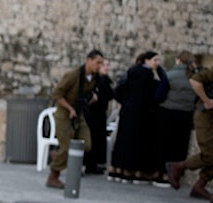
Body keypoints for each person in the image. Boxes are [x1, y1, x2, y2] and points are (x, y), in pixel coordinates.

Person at [46, 49, 104, 189]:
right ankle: (53, 176)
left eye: (101, 63)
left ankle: (57, 156)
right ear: (88, 61)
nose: (99, 66)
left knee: (86, 144)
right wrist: (69, 108)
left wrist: (90, 100)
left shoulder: (95, 79)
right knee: (66, 147)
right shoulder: (73, 76)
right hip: (65, 114)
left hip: (79, 114)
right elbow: (56, 94)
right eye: (97, 62)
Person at [108, 51, 168, 184]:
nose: (157, 63)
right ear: (146, 61)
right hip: (142, 114)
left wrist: (126, 102)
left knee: (123, 141)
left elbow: (118, 91)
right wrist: (161, 71)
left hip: (128, 111)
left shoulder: (130, 73)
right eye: (155, 60)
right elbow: (158, 92)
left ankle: (118, 170)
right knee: (136, 143)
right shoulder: (147, 77)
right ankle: (133, 171)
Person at [166, 63, 213, 203]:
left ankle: (199, 186)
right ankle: (178, 166)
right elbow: (195, 80)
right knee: (210, 154)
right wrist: (207, 100)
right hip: (205, 115)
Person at [155, 51, 196, 185]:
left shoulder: (170, 75)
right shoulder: (195, 77)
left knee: (164, 144)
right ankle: (176, 175)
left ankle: (162, 174)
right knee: (180, 145)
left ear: (178, 60)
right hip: (186, 113)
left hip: (168, 112)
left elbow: (159, 95)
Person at [83, 58, 115, 174]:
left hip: (100, 114)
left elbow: (111, 95)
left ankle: (94, 164)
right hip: (92, 114)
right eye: (103, 65)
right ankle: (88, 164)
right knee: (92, 138)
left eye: (107, 65)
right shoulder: (94, 81)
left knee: (98, 139)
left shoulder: (105, 81)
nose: (106, 67)